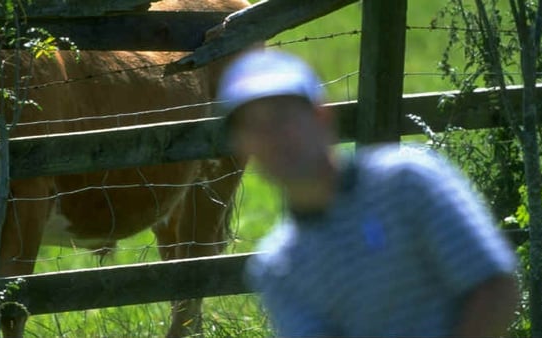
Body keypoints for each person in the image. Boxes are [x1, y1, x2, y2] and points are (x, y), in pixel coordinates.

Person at [217, 49, 519, 337]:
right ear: (242, 148)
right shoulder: (278, 268)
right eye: (252, 127)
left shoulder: (408, 179)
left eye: (282, 117)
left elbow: (495, 286)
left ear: (321, 118)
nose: (272, 137)